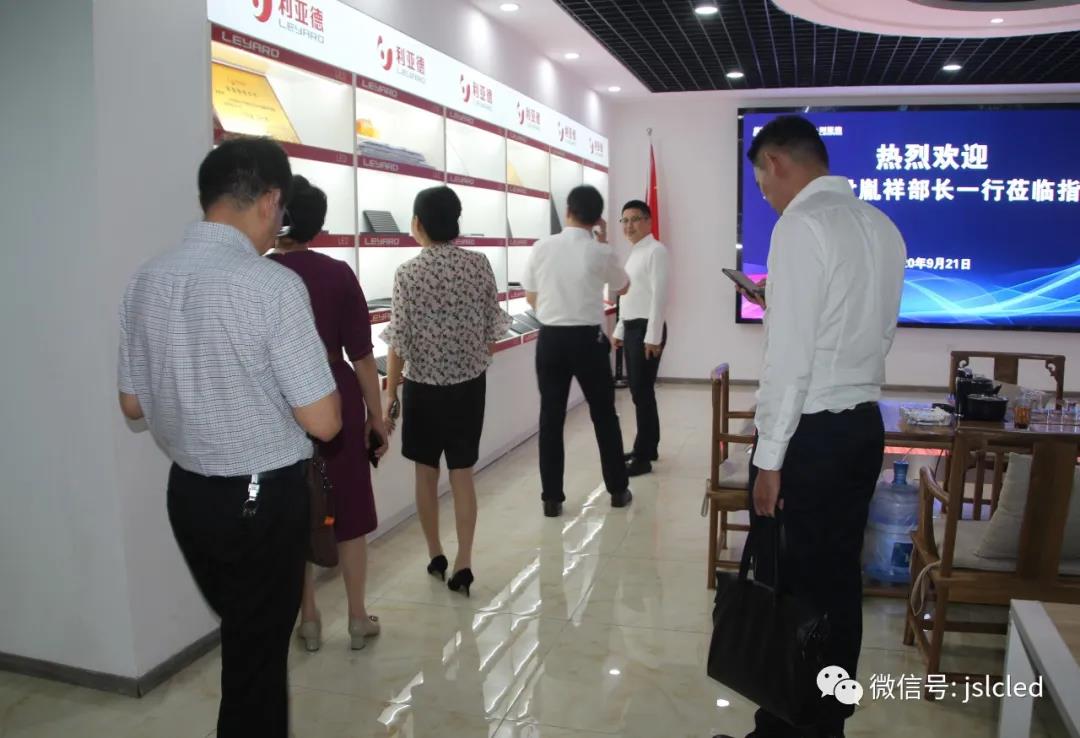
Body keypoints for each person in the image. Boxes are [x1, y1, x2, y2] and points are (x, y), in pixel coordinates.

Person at [117, 137, 342, 738]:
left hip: (189, 496)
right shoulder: (271, 286)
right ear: (269, 200)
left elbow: (132, 403)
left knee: (247, 644)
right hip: (260, 503)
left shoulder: (146, 279)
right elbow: (324, 421)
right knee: (257, 663)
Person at [719, 116, 906, 738]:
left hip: (810, 436)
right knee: (838, 583)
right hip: (860, 428)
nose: (766, 196)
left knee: (790, 587)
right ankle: (827, 722)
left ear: (775, 162)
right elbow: (872, 330)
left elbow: (791, 359)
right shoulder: (881, 226)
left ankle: (784, 727)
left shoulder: (800, 225)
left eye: (761, 182)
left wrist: (769, 458)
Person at [268, 175, 389, 652]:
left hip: (282, 399)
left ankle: (309, 619)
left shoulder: (263, 274)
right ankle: (357, 617)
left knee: (296, 510)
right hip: (335, 397)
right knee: (349, 511)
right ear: (317, 224)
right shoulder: (338, 273)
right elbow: (362, 355)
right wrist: (376, 417)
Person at [381, 186, 510, 597]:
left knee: (425, 473)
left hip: (423, 388)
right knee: (462, 473)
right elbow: (493, 328)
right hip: (469, 387)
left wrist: (390, 392)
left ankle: (435, 553)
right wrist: (472, 360)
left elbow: (399, 341)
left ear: (417, 223)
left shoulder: (407, 273)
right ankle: (464, 561)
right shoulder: (479, 264)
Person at [522, 184, 633, 518]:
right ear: (598, 219)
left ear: (568, 210)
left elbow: (531, 296)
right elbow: (623, 286)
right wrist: (604, 242)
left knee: (551, 417)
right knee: (604, 415)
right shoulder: (600, 251)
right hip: (588, 341)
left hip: (551, 340)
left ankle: (551, 499)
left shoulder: (542, 247)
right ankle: (618, 490)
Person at [612, 199, 670, 477]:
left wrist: (653, 336)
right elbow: (629, 297)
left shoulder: (656, 251)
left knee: (641, 393)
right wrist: (619, 330)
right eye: (624, 220)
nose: (629, 225)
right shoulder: (635, 252)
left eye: (635, 219)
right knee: (640, 392)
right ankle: (648, 447)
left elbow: (659, 296)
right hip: (633, 327)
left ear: (648, 221)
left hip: (647, 329)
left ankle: (643, 456)